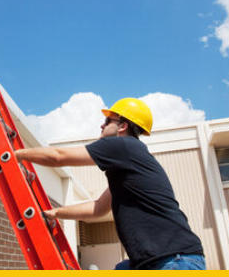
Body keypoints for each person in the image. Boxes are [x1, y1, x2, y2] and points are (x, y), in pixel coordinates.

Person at [15, 98, 206, 270]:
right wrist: (57, 213)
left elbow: (58, 157)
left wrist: (17, 154)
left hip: (174, 261)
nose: (102, 125)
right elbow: (98, 208)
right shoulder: (129, 164)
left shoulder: (123, 146)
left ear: (122, 126)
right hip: (159, 260)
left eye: (108, 121)